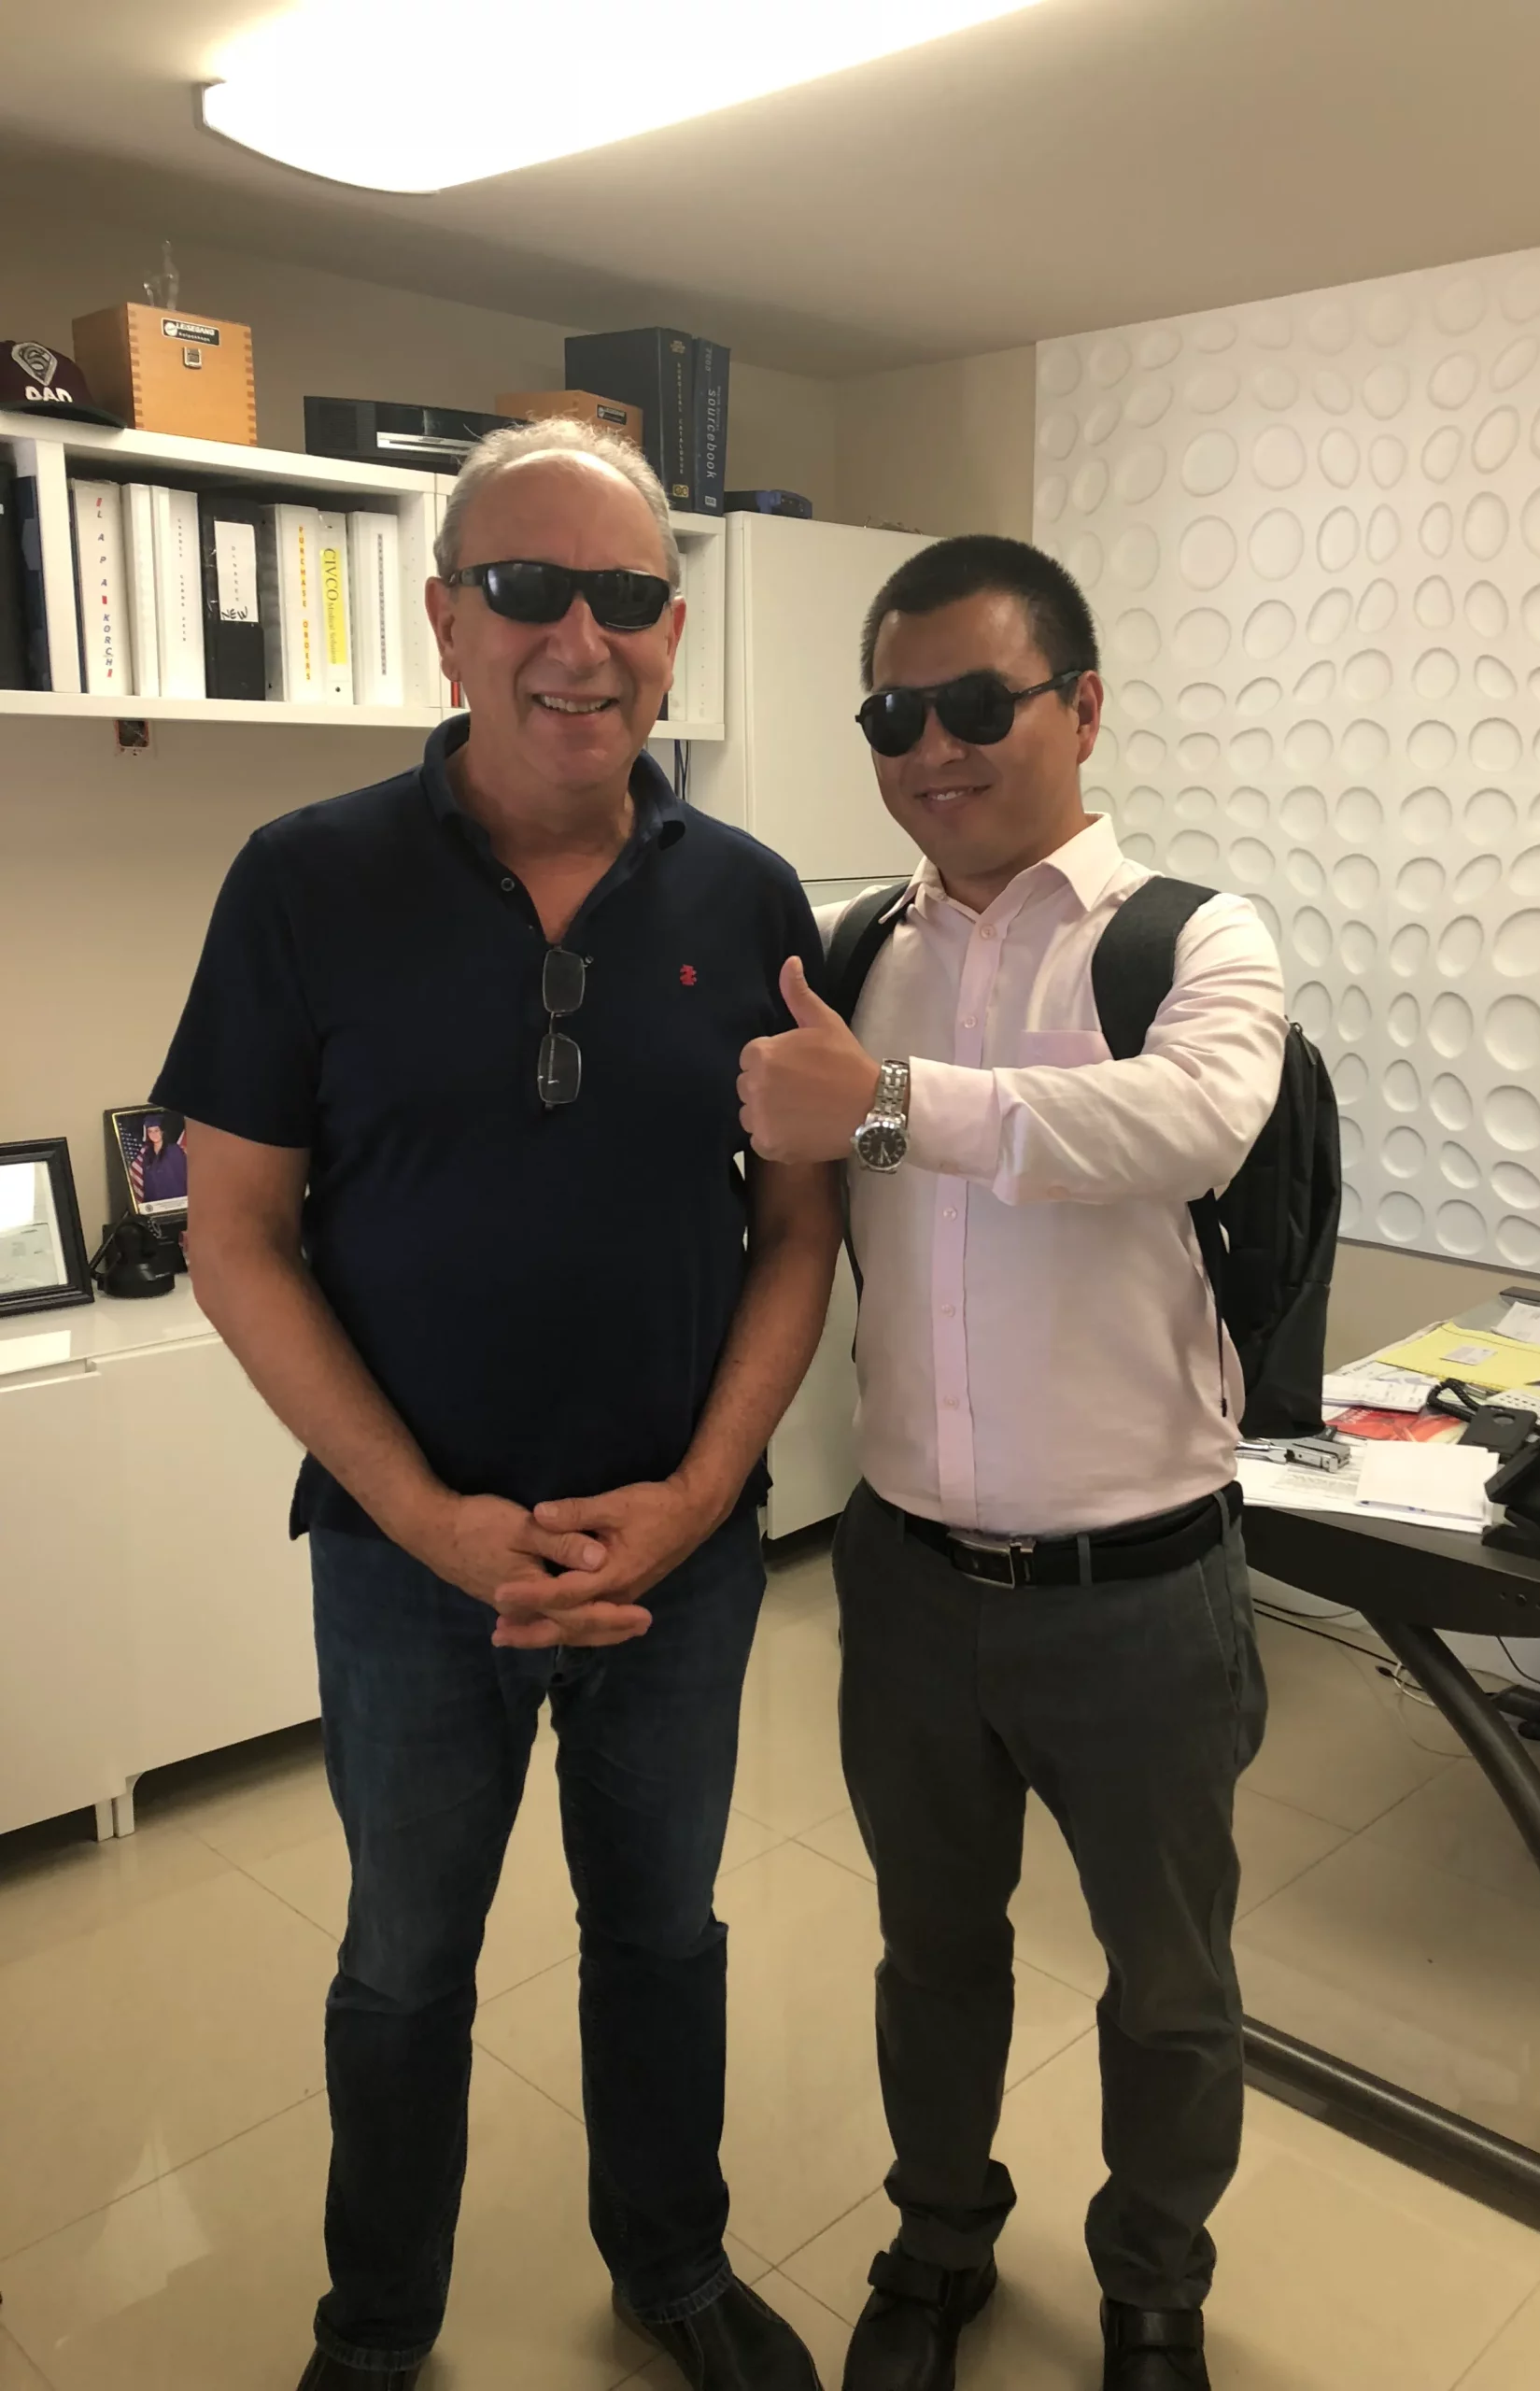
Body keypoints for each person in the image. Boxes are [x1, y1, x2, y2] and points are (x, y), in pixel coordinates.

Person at [155, 421, 840, 2391]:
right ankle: (376, 2329)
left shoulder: (754, 894)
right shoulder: (303, 882)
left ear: (675, 634)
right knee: (404, 1963)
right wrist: (430, 1518)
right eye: (529, 589)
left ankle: (673, 2265)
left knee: (665, 1937)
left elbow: (799, 1230)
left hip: (678, 1565)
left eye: (625, 596)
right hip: (405, 1568)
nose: (578, 638)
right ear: (448, 620)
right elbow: (237, 1236)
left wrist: (702, 1494)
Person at [737, 535, 1286, 2391]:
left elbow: (1189, 1123)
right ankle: (939, 2238)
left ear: (1085, 707)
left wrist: (891, 1103)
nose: (934, 746)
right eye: (895, 714)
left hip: (1142, 1591)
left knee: (1172, 1980)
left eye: (978, 702)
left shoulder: (1190, 938)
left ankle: (1154, 2284)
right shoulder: (852, 956)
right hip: (906, 1584)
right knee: (931, 1951)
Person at [136, 1113, 188, 1205]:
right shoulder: (147, 1154)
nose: (153, 1134)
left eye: (156, 1130)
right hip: (155, 1203)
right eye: (150, 1131)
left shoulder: (173, 1150)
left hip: (175, 1200)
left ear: (162, 1132)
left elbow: (183, 1177)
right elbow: (147, 1183)